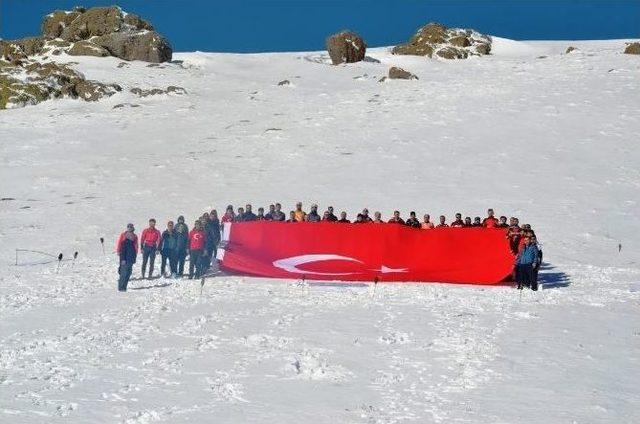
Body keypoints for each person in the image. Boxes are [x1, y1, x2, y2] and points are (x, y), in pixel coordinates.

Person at [117, 223, 137, 292]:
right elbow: (120, 245)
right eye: (128, 227)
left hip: (131, 258)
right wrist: (122, 258)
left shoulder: (134, 237)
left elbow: (135, 247)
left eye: (131, 227)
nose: (129, 228)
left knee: (129, 272)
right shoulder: (124, 240)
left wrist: (134, 257)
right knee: (123, 273)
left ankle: (124, 287)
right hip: (124, 258)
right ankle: (121, 287)